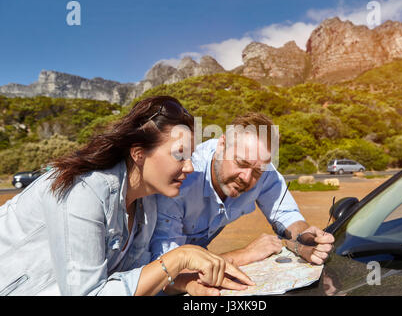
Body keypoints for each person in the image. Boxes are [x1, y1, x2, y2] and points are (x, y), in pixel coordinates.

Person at [0, 96, 253, 296]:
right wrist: (178, 258)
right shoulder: (84, 190)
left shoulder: (148, 200)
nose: (189, 167)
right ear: (138, 153)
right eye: (179, 155)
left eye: (191, 157)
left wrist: (182, 284)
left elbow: (134, 276)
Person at [149, 112, 335, 295]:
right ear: (221, 144)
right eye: (241, 163)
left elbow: (286, 215)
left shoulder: (261, 168)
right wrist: (244, 254)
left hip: (196, 274)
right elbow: (167, 272)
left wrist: (305, 238)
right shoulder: (182, 178)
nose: (247, 178)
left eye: (257, 172)